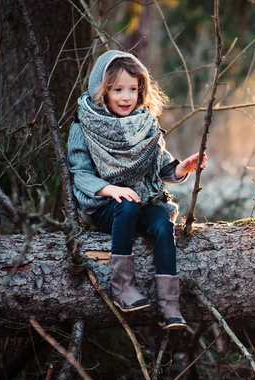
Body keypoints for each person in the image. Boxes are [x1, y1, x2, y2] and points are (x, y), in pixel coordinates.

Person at [67, 50, 206, 330]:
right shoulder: (84, 125)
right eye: (117, 89)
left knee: (161, 224)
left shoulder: (145, 123)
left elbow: (161, 166)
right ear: (102, 91)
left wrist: (183, 168)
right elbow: (80, 174)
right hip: (107, 208)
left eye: (133, 89)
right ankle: (122, 288)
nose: (126, 97)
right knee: (126, 205)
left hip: (141, 202)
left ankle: (169, 304)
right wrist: (109, 189)